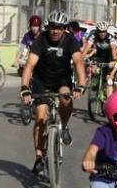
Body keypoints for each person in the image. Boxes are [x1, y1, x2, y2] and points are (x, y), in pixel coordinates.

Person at [20, 11, 86, 175]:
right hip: (41, 81)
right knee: (41, 117)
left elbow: (78, 62)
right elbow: (29, 64)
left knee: (65, 99)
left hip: (61, 80)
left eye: (60, 28)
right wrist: (24, 87)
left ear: (65, 29)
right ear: (48, 27)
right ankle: (39, 157)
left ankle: (63, 126)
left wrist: (81, 84)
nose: (55, 31)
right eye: (52, 27)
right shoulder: (41, 39)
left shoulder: (70, 40)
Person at [82, 21, 117, 96]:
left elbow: (113, 50)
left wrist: (114, 60)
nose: (102, 33)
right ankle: (97, 83)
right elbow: (87, 47)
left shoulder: (110, 37)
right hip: (99, 55)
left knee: (108, 78)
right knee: (93, 70)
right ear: (97, 31)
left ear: (106, 31)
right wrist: (82, 58)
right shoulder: (94, 36)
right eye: (100, 31)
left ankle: (108, 98)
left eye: (104, 31)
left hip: (109, 56)